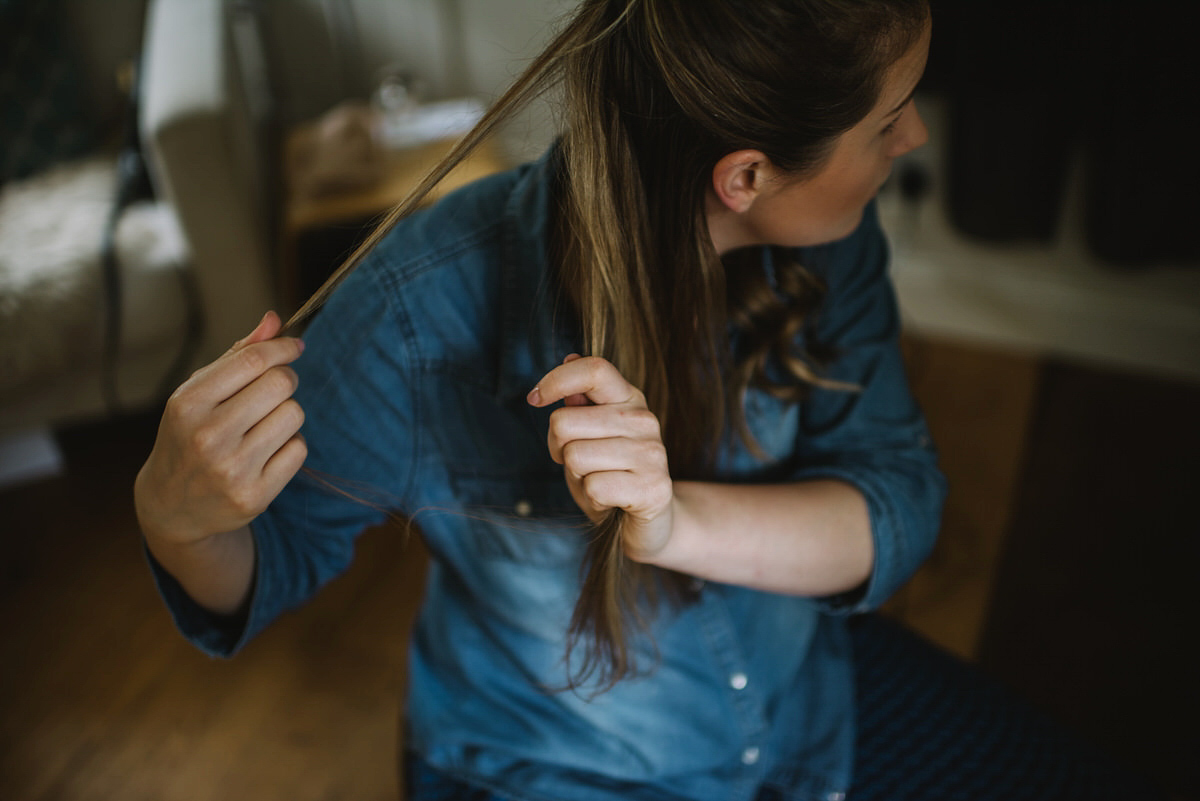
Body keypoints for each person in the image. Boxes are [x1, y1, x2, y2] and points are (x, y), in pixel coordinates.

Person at [133, 1, 1165, 799]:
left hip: (806, 709)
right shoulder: (412, 314)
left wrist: (675, 523)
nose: (912, 143)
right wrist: (175, 518)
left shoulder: (832, 246)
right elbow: (266, 565)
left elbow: (897, 502)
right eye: (887, 121)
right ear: (746, 174)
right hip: (551, 768)